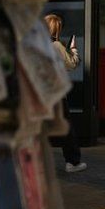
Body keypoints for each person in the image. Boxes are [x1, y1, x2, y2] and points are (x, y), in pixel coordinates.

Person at [45, 14, 86, 173]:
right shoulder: (56, 46)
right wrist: (74, 49)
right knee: (66, 128)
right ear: (57, 29)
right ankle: (73, 162)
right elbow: (72, 64)